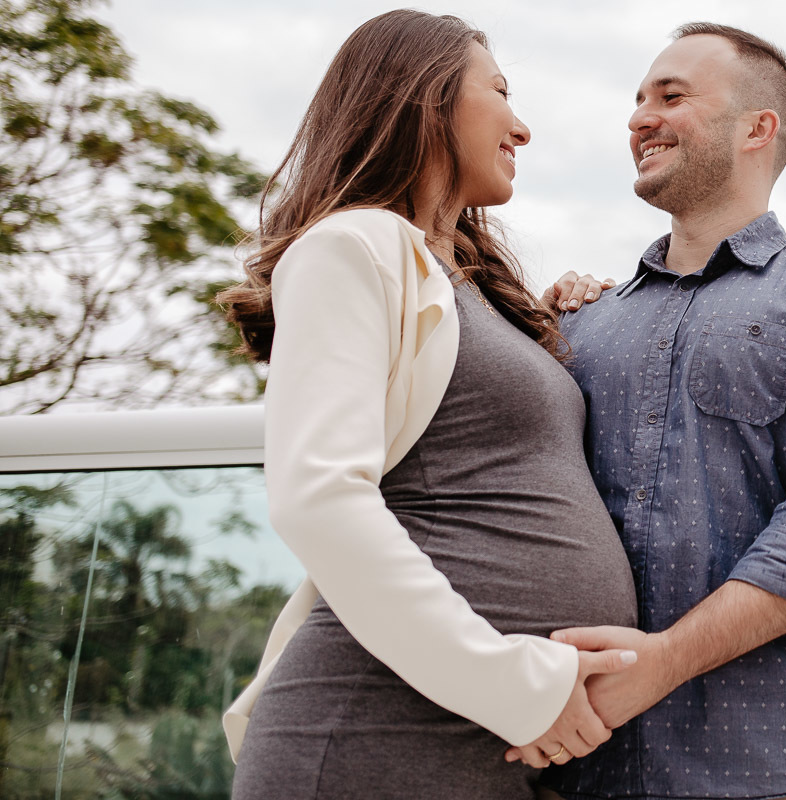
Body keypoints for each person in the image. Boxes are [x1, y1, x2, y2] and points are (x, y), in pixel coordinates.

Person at [215, 11, 640, 798]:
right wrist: (518, 688)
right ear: (426, 98)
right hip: (376, 732)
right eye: (501, 93)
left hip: (493, 742)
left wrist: (569, 318)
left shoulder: (470, 288)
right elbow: (319, 499)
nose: (523, 128)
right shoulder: (350, 247)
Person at [532, 23, 786, 800]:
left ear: (757, 128)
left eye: (671, 96)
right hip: (574, 768)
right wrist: (530, 327)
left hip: (777, 771)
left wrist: (662, 662)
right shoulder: (578, 321)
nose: (639, 117)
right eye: (637, 100)